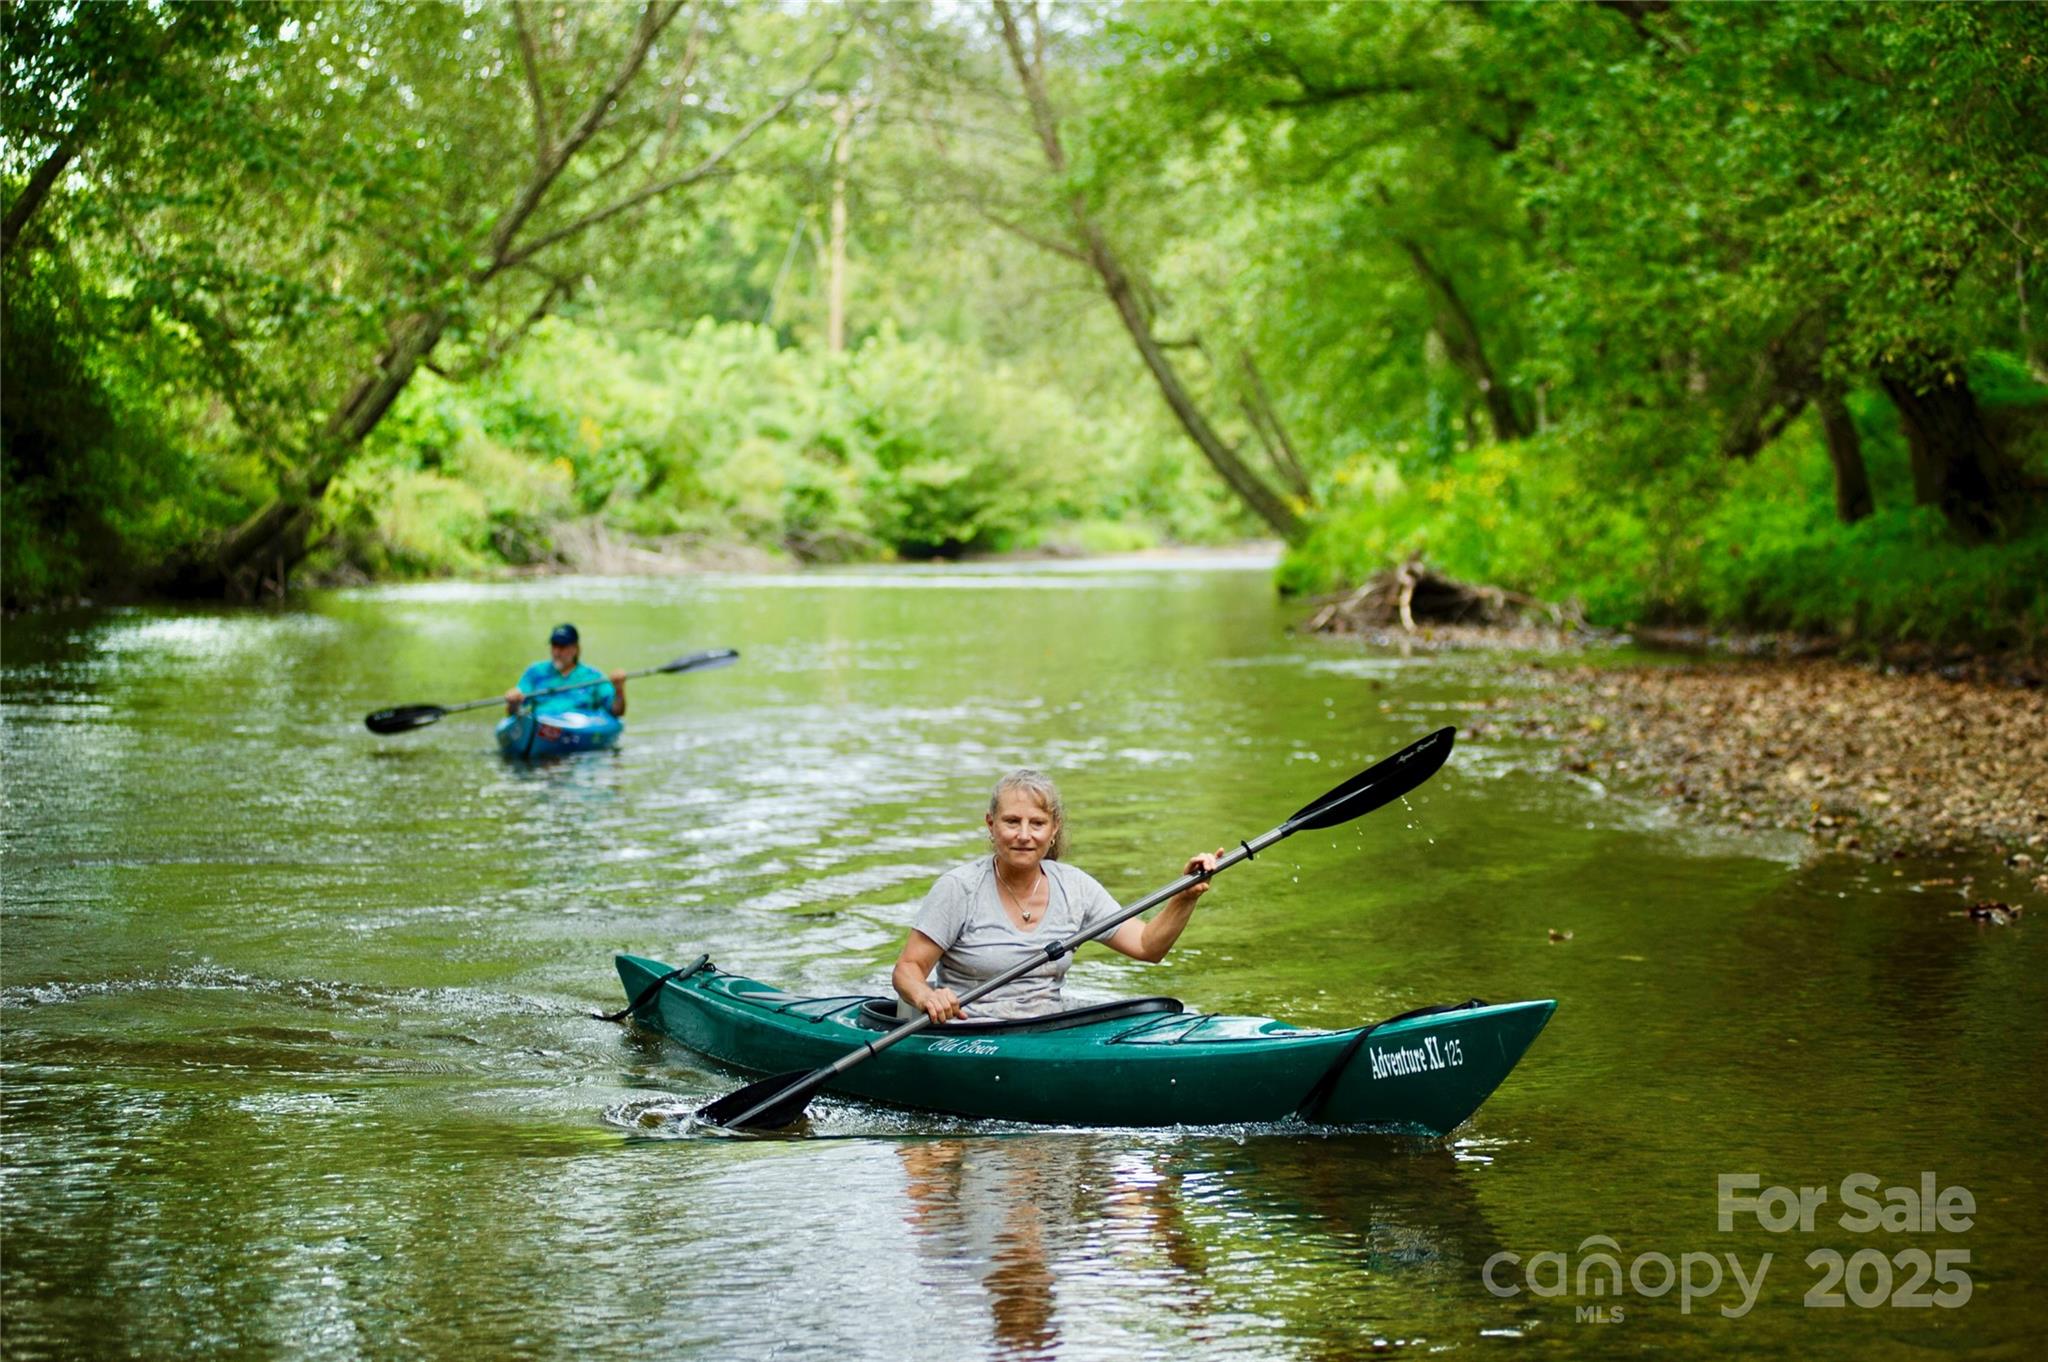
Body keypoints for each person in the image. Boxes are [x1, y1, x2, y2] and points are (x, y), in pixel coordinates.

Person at [892, 768, 1222, 1023]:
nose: (1024, 835)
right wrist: (925, 997)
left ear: (1053, 830)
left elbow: (1147, 946)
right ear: (991, 825)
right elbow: (907, 969)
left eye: (1036, 823)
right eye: (1011, 822)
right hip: (970, 1033)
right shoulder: (958, 888)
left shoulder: (1075, 887)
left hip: (1047, 1030)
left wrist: (1186, 895)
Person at [503, 623, 627, 719]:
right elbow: (513, 711)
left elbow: (617, 711)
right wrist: (514, 701)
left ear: (576, 649)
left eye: (562, 647)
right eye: (554, 645)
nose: (557, 652)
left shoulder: (593, 677)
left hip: (579, 731)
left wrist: (619, 689)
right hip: (541, 727)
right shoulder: (535, 672)